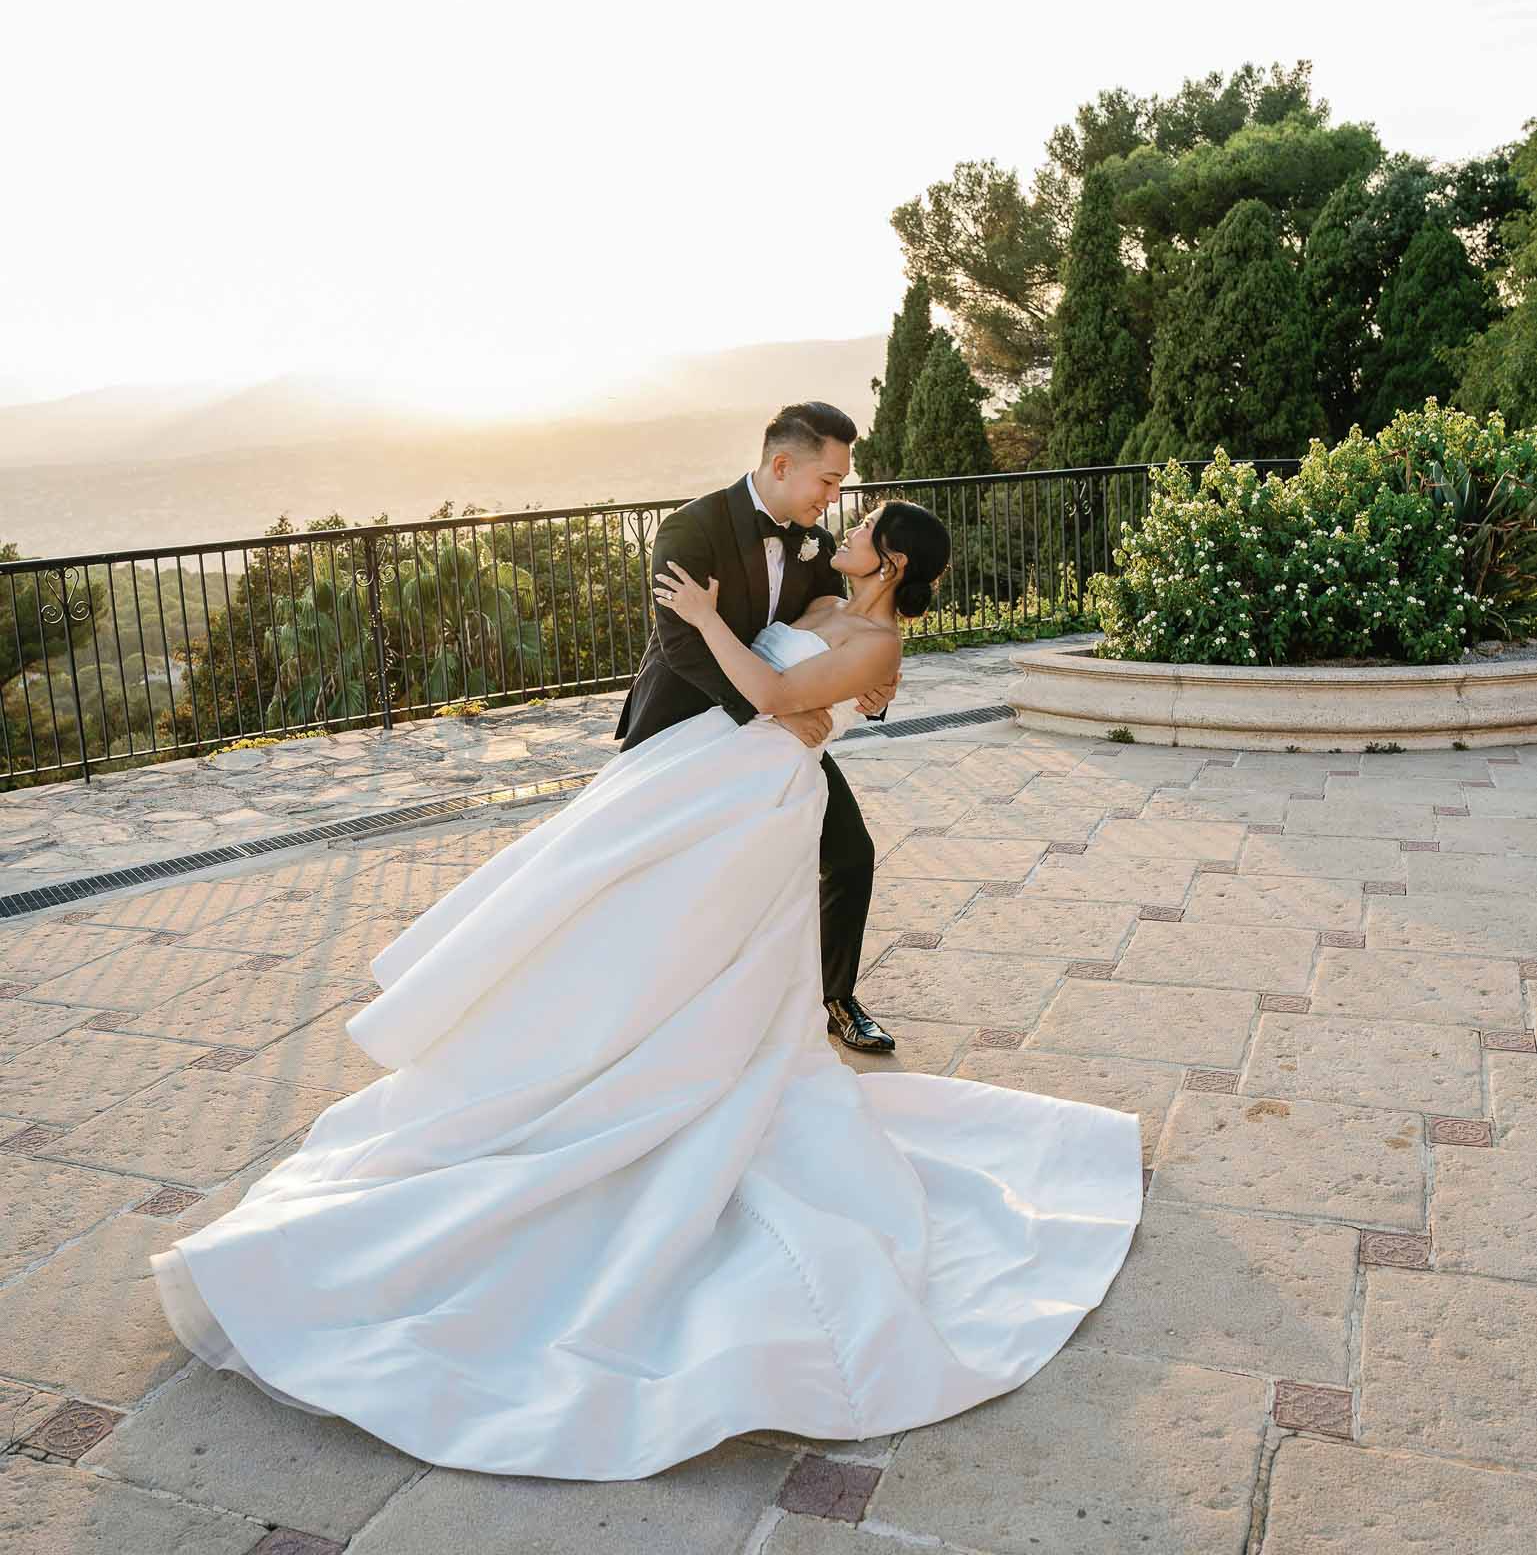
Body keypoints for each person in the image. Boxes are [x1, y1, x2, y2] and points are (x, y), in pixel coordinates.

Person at [150, 497, 1144, 1482]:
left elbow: (762, 690)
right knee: (628, 942)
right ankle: (600, 1061)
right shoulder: (825, 600)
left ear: (887, 557)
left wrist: (720, 629)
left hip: (754, 806)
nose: (839, 525)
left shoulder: (878, 644)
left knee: (716, 968)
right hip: (704, 778)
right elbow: (770, 691)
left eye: (861, 522)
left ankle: (680, 1089)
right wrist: (761, 670)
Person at [616, 402, 900, 1051]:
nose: (834, 499)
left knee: (850, 853)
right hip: (685, 720)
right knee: (652, 869)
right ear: (780, 464)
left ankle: (836, 997)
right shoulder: (691, 529)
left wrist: (870, 692)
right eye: (827, 482)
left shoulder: (817, 546)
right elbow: (682, 648)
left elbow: (823, 638)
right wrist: (773, 708)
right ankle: (651, 1005)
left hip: (774, 730)